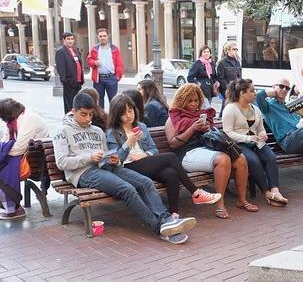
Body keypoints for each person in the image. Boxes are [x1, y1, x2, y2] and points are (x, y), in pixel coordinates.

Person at [53, 93, 196, 244]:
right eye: (83, 114)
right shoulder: (62, 132)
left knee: (145, 182)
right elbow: (61, 163)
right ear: (73, 111)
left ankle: (166, 219)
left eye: (90, 114)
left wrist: (113, 160)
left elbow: (106, 157)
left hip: (105, 168)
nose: (88, 118)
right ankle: (160, 228)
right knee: (127, 189)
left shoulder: (97, 131)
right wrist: (89, 157)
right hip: (84, 173)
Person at [106, 94, 221, 214]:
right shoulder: (112, 133)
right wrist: (128, 143)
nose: (128, 115)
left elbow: (153, 149)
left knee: (171, 174)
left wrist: (145, 155)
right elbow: (117, 160)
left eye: (130, 111)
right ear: (117, 115)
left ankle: (174, 215)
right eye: (123, 113)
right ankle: (196, 193)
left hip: (145, 163)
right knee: (171, 157)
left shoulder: (141, 127)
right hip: (129, 167)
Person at [166, 83, 257, 219]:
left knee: (240, 158)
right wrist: (192, 129)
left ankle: (242, 200)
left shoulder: (201, 115)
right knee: (223, 159)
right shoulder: (173, 118)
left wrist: (207, 128)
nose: (193, 104)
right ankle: (219, 204)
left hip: (207, 149)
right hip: (187, 154)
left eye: (196, 100)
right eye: (189, 101)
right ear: (181, 101)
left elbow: (211, 137)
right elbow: (173, 144)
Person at [223, 79, 287, 206]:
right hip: (239, 145)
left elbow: (260, 128)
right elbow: (228, 132)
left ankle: (275, 190)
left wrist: (262, 134)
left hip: (256, 143)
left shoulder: (255, 109)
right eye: (252, 91)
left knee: (271, 158)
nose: (255, 93)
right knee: (253, 161)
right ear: (242, 93)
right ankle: (267, 193)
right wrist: (248, 138)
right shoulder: (230, 109)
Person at [0, 99, 49, 220]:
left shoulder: (28, 119)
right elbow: (7, 140)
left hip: (35, 162)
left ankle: (13, 209)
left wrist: (3, 151)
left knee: (2, 169)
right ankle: (12, 207)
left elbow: (19, 148)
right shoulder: (15, 121)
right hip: (29, 158)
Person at [87, 28, 124, 109]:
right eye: (100, 36)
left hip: (111, 77)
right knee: (99, 100)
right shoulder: (94, 49)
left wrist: (117, 76)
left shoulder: (114, 49)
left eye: (104, 36)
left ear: (108, 36)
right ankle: (101, 119)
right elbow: (89, 60)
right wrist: (94, 63)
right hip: (98, 79)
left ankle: (113, 119)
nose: (102, 38)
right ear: (98, 37)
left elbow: (119, 63)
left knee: (114, 100)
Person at [55, 32, 84, 113]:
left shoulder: (75, 50)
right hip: (69, 83)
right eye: (68, 39)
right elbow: (61, 69)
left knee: (77, 106)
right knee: (69, 107)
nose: (70, 41)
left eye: (72, 39)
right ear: (64, 40)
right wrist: (66, 81)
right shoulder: (61, 52)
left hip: (78, 83)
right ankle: (69, 123)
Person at [215, 41, 242, 111]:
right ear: (227, 50)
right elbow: (221, 79)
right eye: (233, 49)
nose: (235, 51)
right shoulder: (222, 62)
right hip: (227, 89)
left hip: (236, 88)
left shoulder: (237, 62)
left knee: (233, 107)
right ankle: (222, 118)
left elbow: (239, 77)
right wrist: (229, 89)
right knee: (227, 106)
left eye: (236, 49)